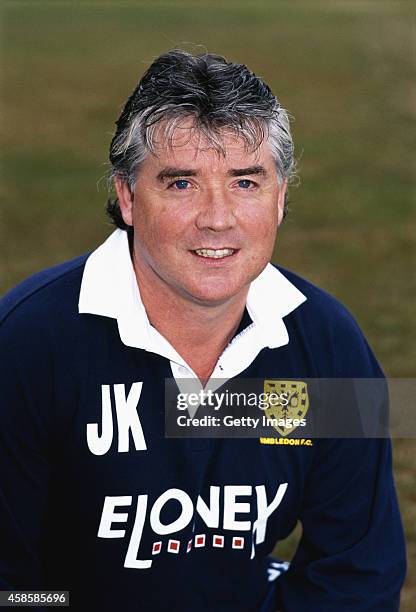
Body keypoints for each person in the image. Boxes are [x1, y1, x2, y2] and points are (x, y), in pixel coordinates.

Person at [0, 50, 406, 611]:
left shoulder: (327, 344)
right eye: (182, 184)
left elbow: (358, 570)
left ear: (281, 196)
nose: (218, 218)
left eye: (245, 181)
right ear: (128, 198)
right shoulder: (27, 343)